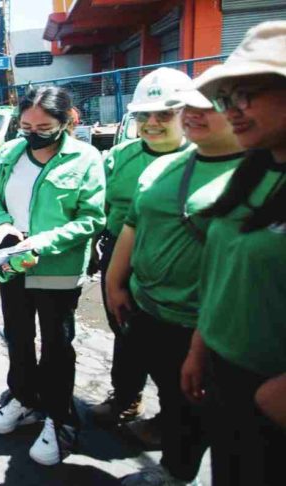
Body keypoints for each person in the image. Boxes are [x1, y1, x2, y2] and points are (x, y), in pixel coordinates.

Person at [106, 86, 244, 486]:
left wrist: (204, 337)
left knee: (215, 417)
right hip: (148, 309)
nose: (195, 114)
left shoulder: (259, 173)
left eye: (210, 107)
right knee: (175, 398)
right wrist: (116, 283)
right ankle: (174, 471)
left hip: (207, 324)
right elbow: (134, 221)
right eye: (191, 106)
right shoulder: (162, 167)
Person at [180, 21, 286, 486]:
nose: (232, 111)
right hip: (227, 376)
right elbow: (225, 277)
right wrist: (201, 349)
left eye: (246, 94)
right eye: (227, 100)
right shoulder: (256, 172)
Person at [0, 86, 105, 466]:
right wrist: (0, 226)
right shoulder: (9, 154)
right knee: (18, 336)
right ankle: (23, 399)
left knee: (56, 345)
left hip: (57, 271)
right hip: (11, 264)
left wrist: (44, 242)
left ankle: (58, 417)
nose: (33, 133)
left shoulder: (86, 159)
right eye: (26, 125)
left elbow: (93, 218)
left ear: (68, 122)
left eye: (44, 126)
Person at [90, 68, 194, 444]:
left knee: (173, 354)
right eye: (143, 115)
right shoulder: (118, 158)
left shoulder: (204, 161)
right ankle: (126, 398)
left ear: (186, 113)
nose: (152, 123)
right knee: (125, 333)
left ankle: (173, 421)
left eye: (165, 114)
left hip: (175, 271)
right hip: (116, 258)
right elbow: (96, 210)